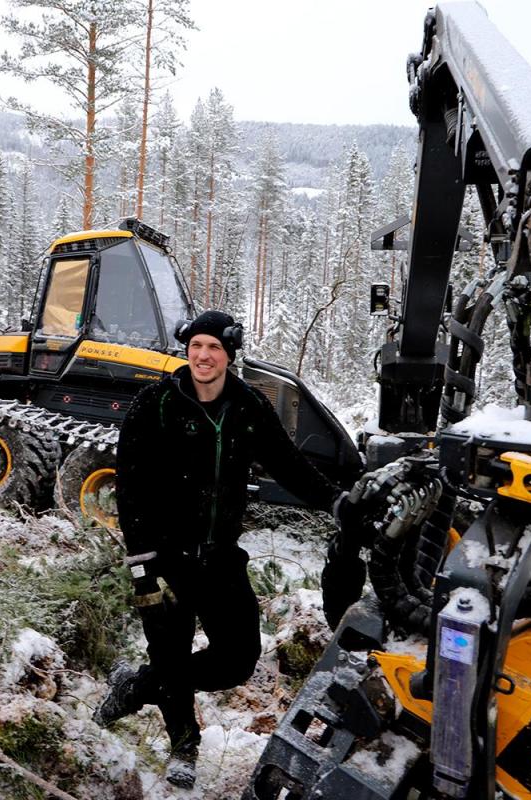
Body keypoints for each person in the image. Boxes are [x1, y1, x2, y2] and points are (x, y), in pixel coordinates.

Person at [95, 310, 358, 789]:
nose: (203, 355)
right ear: (187, 350)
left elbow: (288, 464)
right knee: (170, 649)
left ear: (229, 355)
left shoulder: (248, 405)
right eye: (196, 345)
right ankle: (184, 745)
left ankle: (136, 687)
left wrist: (334, 501)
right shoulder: (154, 405)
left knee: (237, 659)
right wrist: (140, 562)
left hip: (220, 558)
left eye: (214, 347)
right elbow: (129, 486)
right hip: (164, 558)